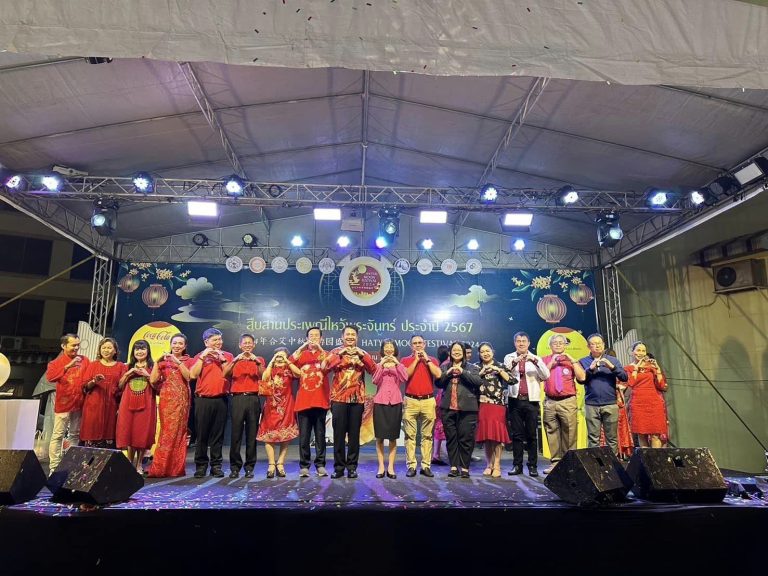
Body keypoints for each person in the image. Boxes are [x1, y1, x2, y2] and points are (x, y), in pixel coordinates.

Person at [323, 325, 376, 479]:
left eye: (353, 334)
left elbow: (374, 371)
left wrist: (362, 356)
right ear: (342, 337)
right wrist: (339, 355)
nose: (350, 337)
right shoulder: (335, 352)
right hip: (338, 399)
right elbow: (324, 368)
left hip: (357, 400)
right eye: (347, 334)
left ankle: (352, 467)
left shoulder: (362, 353)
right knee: (339, 435)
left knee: (354, 435)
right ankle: (339, 468)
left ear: (357, 337)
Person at [188, 328, 234, 478]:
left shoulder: (228, 355)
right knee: (202, 435)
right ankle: (201, 466)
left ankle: (216, 466)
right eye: (215, 340)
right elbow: (193, 375)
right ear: (206, 342)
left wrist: (222, 358)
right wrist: (203, 357)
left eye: (220, 339)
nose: (218, 342)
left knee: (217, 435)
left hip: (221, 399)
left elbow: (230, 374)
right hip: (203, 400)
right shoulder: (199, 356)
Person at [503, 332, 550, 477]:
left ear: (529, 343)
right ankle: (517, 465)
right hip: (515, 400)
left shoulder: (536, 358)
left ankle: (532, 466)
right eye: (518, 341)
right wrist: (516, 361)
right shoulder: (509, 357)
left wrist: (534, 361)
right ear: (515, 343)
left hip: (531, 401)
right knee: (517, 435)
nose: (521, 343)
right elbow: (504, 372)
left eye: (524, 341)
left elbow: (546, 375)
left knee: (531, 435)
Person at [436, 341, 483, 478]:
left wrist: (463, 372)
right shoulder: (444, 367)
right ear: (450, 352)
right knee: (451, 439)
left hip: (467, 409)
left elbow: (477, 382)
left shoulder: (472, 367)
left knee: (466, 439)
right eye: (454, 350)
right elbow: (438, 383)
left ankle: (465, 468)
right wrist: (448, 373)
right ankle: (453, 467)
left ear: (463, 353)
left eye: (459, 350)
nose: (456, 352)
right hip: (448, 408)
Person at [147, 333, 191, 478]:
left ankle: (175, 468)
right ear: (170, 344)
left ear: (184, 346)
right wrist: (156, 362)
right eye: (175, 343)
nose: (177, 346)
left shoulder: (187, 360)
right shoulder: (163, 361)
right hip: (166, 399)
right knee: (166, 431)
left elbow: (189, 377)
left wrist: (177, 361)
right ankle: (161, 467)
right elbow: (153, 380)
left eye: (180, 343)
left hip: (182, 399)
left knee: (178, 432)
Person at [540, 334, 586, 474]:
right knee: (551, 432)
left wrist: (573, 361)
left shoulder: (571, 360)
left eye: (561, 342)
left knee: (570, 432)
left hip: (568, 401)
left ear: (565, 345)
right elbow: (541, 376)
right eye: (555, 342)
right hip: (550, 401)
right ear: (550, 345)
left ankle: (569, 463)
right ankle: (555, 463)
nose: (558, 344)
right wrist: (552, 362)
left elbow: (582, 377)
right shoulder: (544, 360)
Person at [577, 334, 628, 456]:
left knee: (612, 438)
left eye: (599, 343)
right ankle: (594, 463)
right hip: (591, 404)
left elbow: (624, 377)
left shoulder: (613, 360)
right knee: (593, 438)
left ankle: (613, 463)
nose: (597, 346)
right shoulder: (583, 361)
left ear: (604, 345)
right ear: (588, 346)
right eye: (593, 344)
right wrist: (590, 369)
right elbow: (581, 380)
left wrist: (612, 367)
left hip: (610, 403)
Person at [223, 333, 265, 478]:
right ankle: (235, 467)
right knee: (236, 434)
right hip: (237, 398)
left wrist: (256, 362)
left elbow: (264, 376)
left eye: (249, 343)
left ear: (254, 345)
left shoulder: (259, 360)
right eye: (244, 343)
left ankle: (249, 467)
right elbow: (225, 374)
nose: (247, 345)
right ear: (240, 345)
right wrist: (235, 360)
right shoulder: (235, 360)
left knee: (251, 434)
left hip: (253, 398)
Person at [46, 334, 89, 472]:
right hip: (63, 404)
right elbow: (50, 377)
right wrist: (67, 366)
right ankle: (54, 467)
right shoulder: (55, 363)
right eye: (73, 345)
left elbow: (87, 378)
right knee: (58, 435)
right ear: (63, 346)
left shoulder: (84, 360)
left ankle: (71, 466)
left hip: (79, 403)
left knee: (74, 435)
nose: (76, 348)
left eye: (78, 345)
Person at [291, 326, 331, 478]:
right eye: (311, 336)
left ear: (321, 338)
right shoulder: (301, 354)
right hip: (304, 401)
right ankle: (304, 465)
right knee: (304, 436)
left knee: (320, 435)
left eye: (316, 336)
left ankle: (320, 465)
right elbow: (289, 363)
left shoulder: (325, 354)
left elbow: (329, 364)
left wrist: (319, 349)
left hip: (320, 400)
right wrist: (302, 347)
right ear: (306, 338)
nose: (313, 338)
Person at [401, 334, 441, 478]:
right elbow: (405, 376)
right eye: (415, 343)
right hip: (410, 400)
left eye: (420, 343)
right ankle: (411, 466)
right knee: (410, 435)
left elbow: (438, 374)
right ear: (410, 346)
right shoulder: (405, 360)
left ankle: (426, 466)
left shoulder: (432, 360)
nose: (418, 345)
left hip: (428, 400)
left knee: (427, 436)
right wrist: (417, 360)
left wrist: (427, 360)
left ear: (425, 344)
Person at [257, 348, 300, 478]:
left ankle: (280, 463)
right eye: (278, 356)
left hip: (286, 404)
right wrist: (272, 362)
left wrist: (287, 361)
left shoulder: (289, 369)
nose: (280, 358)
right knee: (269, 434)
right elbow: (264, 378)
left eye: (283, 356)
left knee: (285, 434)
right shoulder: (271, 369)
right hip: (271, 405)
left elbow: (299, 374)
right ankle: (271, 464)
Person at [116, 340, 157, 474]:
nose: (140, 351)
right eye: (137, 349)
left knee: (141, 434)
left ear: (148, 351)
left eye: (142, 349)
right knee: (129, 433)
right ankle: (129, 463)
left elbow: (157, 387)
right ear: (133, 352)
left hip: (146, 404)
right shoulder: (127, 366)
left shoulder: (153, 366)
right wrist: (128, 373)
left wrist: (148, 375)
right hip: (127, 403)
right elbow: (120, 385)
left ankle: (139, 464)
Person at [79, 338, 126, 449]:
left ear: (115, 351)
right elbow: (85, 386)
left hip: (112, 406)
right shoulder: (93, 365)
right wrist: (94, 381)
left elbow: (123, 388)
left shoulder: (121, 366)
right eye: (103, 348)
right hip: (93, 405)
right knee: (92, 434)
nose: (106, 350)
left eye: (109, 348)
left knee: (109, 437)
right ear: (99, 350)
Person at [372, 339, 408, 479]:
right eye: (386, 347)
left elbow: (404, 378)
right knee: (380, 437)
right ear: (382, 350)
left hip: (395, 402)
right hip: (380, 402)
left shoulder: (400, 365)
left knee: (393, 437)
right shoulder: (378, 365)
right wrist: (381, 364)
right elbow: (375, 380)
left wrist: (396, 363)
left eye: (391, 347)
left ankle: (391, 467)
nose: (388, 349)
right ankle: (381, 466)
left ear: (395, 349)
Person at [475, 342, 511, 478]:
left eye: (487, 351)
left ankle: (497, 465)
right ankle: (488, 464)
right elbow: (472, 381)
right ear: (479, 354)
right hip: (483, 405)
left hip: (497, 405)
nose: (485, 354)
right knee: (487, 437)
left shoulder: (500, 365)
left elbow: (512, 380)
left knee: (497, 437)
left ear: (493, 352)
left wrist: (499, 370)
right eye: (482, 352)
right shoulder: (476, 367)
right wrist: (482, 373)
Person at [625, 342, 668, 448]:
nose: (641, 353)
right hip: (638, 404)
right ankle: (646, 458)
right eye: (638, 350)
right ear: (632, 352)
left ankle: (655, 458)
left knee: (655, 435)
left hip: (654, 403)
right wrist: (637, 367)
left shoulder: (651, 367)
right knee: (642, 435)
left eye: (643, 351)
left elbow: (661, 385)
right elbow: (631, 383)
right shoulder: (628, 368)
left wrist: (657, 369)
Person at [431, 344, 450, 465]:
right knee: (441, 426)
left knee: (439, 425)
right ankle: (437, 455)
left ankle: (436, 454)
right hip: (445, 397)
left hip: (440, 397)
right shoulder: (447, 364)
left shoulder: (441, 364)